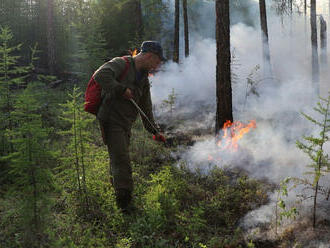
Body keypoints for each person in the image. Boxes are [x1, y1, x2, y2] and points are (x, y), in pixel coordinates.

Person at [93, 41, 166, 212]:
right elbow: (100, 75)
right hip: (112, 120)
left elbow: (146, 108)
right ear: (149, 56)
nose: (157, 66)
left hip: (125, 123)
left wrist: (154, 131)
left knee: (119, 158)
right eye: (157, 61)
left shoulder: (144, 78)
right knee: (122, 160)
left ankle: (118, 193)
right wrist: (120, 89)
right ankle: (125, 205)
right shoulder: (122, 63)